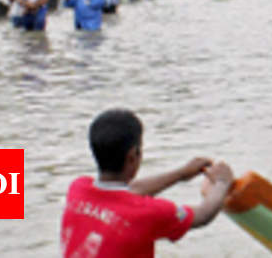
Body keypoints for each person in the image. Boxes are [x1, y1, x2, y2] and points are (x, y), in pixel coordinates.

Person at [60, 109, 234, 256]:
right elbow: (203, 215)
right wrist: (221, 182)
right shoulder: (148, 213)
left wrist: (181, 174)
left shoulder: (78, 188)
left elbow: (128, 192)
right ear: (133, 156)